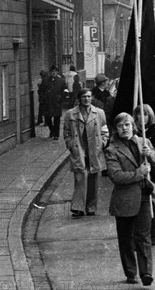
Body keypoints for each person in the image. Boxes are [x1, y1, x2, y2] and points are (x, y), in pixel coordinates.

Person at [105, 113, 155, 286]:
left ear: (133, 126)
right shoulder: (112, 149)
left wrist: (150, 154)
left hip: (144, 195)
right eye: (121, 125)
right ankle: (131, 272)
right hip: (124, 199)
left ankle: (146, 273)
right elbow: (116, 176)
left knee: (143, 236)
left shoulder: (143, 142)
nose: (125, 128)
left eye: (128, 125)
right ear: (116, 129)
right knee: (126, 238)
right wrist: (139, 173)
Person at [63, 89, 109, 218]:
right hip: (79, 150)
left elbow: (105, 130)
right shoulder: (70, 114)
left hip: (94, 149)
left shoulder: (99, 113)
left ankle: (91, 206)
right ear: (79, 99)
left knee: (93, 179)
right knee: (80, 177)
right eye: (84, 97)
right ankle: (77, 207)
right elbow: (66, 132)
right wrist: (70, 145)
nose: (87, 99)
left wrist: (102, 143)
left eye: (89, 97)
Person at [133, 104, 155, 246]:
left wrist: (149, 152)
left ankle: (152, 233)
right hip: (137, 173)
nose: (143, 117)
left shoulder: (154, 133)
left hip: (152, 175)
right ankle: (137, 235)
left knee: (153, 205)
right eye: (140, 114)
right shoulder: (132, 133)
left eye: (145, 114)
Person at [44, 65, 68, 140]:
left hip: (57, 103)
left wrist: (61, 98)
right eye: (52, 71)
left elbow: (66, 91)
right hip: (48, 103)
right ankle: (52, 130)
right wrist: (44, 98)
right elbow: (41, 90)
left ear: (57, 72)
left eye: (55, 71)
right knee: (47, 119)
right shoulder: (45, 80)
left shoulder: (61, 81)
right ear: (50, 72)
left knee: (57, 119)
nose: (54, 73)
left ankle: (56, 135)